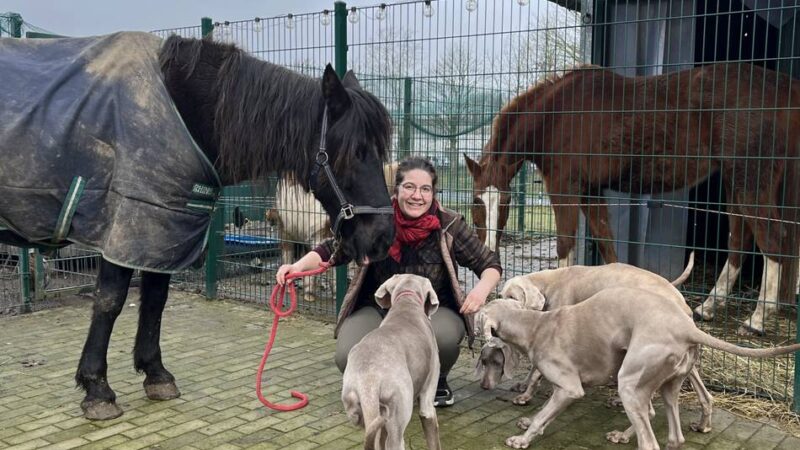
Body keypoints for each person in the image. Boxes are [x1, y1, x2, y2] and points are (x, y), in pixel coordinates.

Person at [276, 156, 502, 407]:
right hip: (379, 308)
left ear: (433, 193)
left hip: (429, 312)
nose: (417, 196)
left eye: (425, 189)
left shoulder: (449, 225)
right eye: (409, 187)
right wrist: (295, 267)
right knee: (346, 355)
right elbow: (331, 249)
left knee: (445, 338)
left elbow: (490, 264)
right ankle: (382, 385)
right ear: (396, 190)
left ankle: (436, 380)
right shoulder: (375, 221)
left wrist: (481, 291)